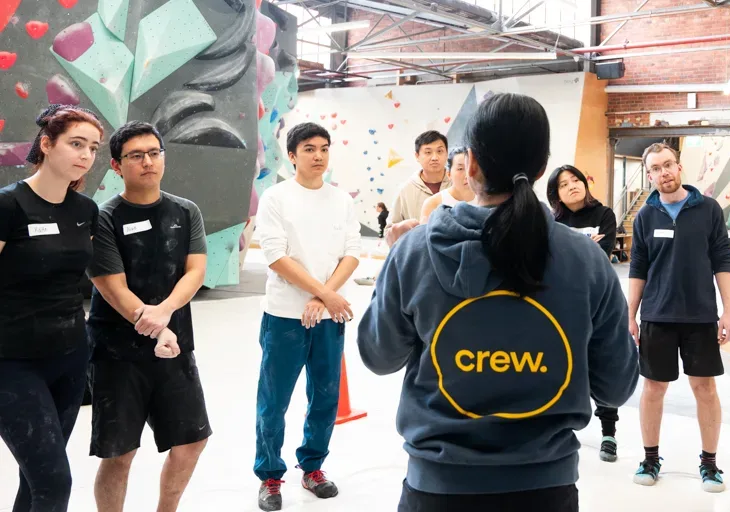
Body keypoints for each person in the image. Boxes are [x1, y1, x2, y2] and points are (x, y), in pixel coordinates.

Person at [357, 93, 639, 512]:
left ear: (469, 165)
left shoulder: (415, 251)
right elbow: (615, 386)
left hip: (438, 488)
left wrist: (394, 268)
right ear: (542, 168)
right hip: (546, 489)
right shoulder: (586, 260)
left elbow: (379, 357)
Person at [85, 121, 211, 512]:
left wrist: (166, 312)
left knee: (192, 441)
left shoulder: (186, 211)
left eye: (154, 153)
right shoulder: (103, 218)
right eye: (136, 155)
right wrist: (156, 327)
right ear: (116, 165)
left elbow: (195, 271)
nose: (148, 162)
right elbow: (113, 287)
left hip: (175, 347)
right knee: (119, 452)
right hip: (117, 353)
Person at [252, 122, 362, 511]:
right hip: (285, 316)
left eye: (324, 148)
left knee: (326, 397)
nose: (318, 156)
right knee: (274, 400)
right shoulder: (276, 197)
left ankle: (312, 467)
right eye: (310, 149)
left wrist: (323, 297)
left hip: (329, 318)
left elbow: (352, 252)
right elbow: (275, 256)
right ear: (292, 155)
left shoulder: (341, 200)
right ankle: (269, 475)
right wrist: (325, 294)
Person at [0, 104, 102, 512]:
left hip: (70, 359)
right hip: (12, 363)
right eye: (76, 144)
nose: (85, 155)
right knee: (54, 482)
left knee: (36, 480)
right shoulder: (8, 205)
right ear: (46, 144)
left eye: (92, 148)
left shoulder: (85, 210)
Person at [628, 142, 730, 491]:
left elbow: (722, 259)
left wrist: (728, 311)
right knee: (653, 388)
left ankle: (710, 463)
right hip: (657, 315)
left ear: (679, 166)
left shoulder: (708, 209)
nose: (664, 173)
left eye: (668, 165)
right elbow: (638, 267)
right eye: (656, 169)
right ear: (649, 176)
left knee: (704, 388)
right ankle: (650, 459)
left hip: (700, 315)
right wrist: (630, 315)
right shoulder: (645, 216)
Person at [545, 164, 621, 461]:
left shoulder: (604, 215)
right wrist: (586, 245)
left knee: (602, 363)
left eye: (575, 180)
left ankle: (608, 433)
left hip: (597, 301)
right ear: (556, 195)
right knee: (563, 366)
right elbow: (549, 262)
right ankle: (560, 428)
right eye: (563, 184)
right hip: (561, 304)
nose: (572, 186)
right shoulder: (552, 222)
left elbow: (602, 256)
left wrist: (571, 251)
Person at [385, 131, 452, 242]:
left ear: (446, 154)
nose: (435, 157)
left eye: (440, 151)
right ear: (417, 156)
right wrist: (404, 229)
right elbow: (389, 233)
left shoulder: (458, 184)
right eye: (428, 152)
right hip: (417, 251)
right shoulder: (405, 190)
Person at [420, 147, 474, 221]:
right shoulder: (433, 203)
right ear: (449, 174)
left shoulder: (487, 200)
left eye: (471, 167)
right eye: (460, 169)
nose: (467, 175)